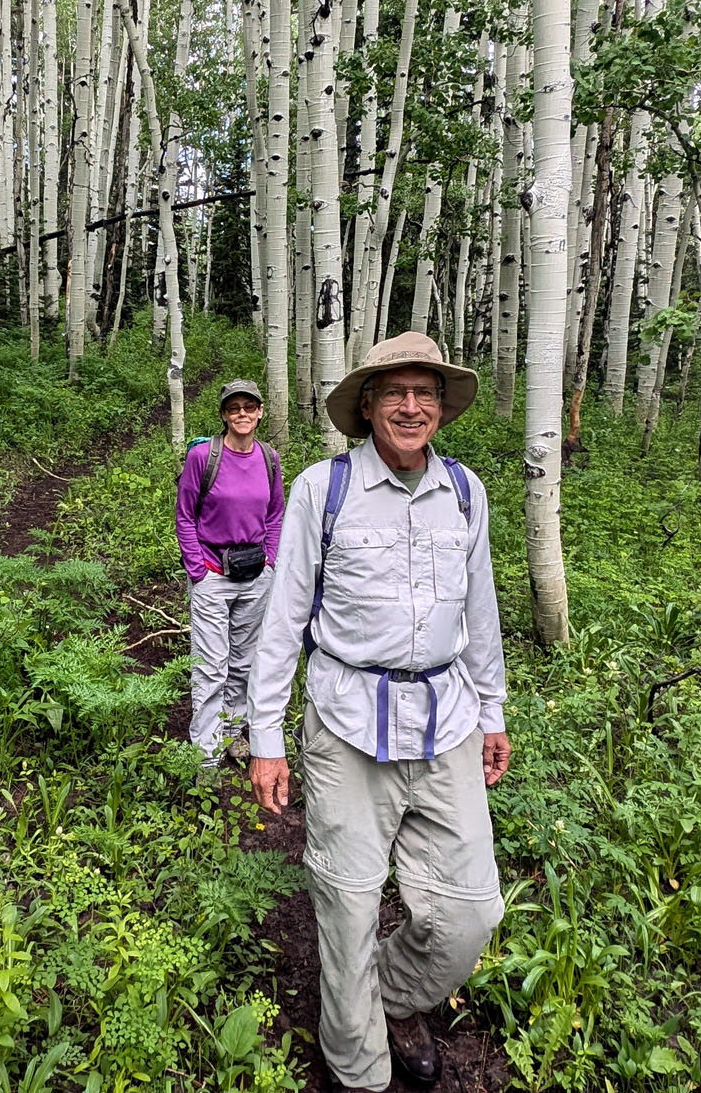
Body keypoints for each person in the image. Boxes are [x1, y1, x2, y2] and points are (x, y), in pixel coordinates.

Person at [245, 332, 509, 1092]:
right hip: (348, 721)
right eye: (395, 391)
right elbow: (283, 621)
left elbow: (481, 615)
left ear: (441, 407)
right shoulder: (321, 491)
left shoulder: (465, 492)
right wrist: (268, 739)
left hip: (447, 721)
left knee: (470, 911)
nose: (411, 405)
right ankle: (357, 1067)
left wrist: (493, 712)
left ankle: (391, 996)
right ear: (367, 406)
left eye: (425, 392)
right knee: (348, 903)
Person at [175, 379, 284, 765]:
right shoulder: (203, 457)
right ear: (224, 414)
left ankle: (231, 734)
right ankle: (205, 757)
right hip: (212, 575)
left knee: (243, 663)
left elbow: (275, 514)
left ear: (259, 412)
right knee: (211, 666)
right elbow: (185, 516)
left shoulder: (269, 458)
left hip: (255, 575)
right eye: (234, 408)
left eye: (249, 407)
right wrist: (198, 570)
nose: (242, 414)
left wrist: (270, 560)